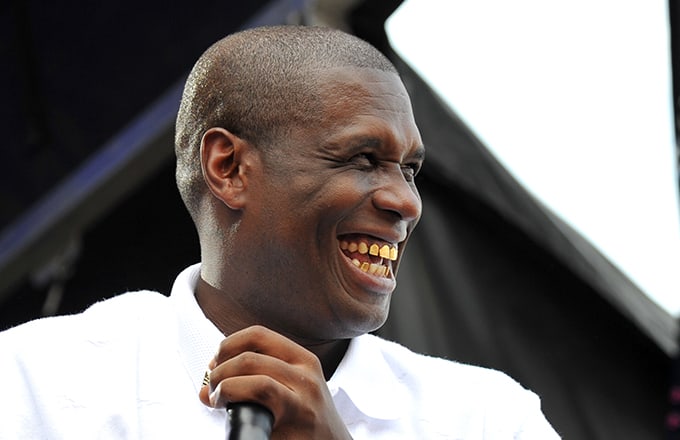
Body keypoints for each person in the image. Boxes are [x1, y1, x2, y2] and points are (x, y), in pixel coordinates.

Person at [0, 25, 560, 439]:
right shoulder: (35, 386)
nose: (406, 202)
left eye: (409, 170)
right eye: (364, 159)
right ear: (229, 168)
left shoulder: (486, 420)